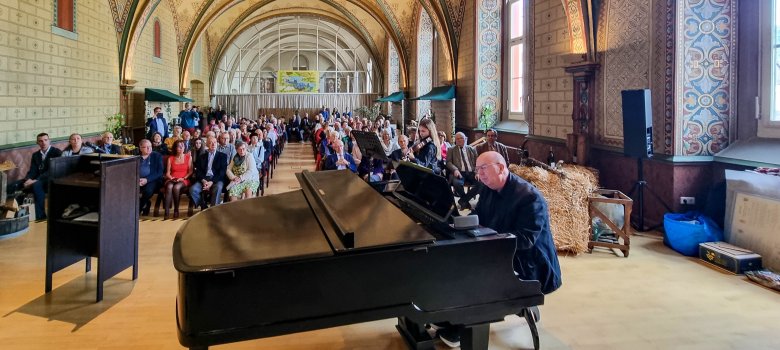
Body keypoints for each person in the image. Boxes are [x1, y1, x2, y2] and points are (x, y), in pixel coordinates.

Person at [436, 151, 562, 348]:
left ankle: (463, 327)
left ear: (501, 167)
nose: (479, 174)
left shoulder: (529, 197)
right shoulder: (489, 188)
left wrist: (488, 243)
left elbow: (526, 240)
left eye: (483, 169)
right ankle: (451, 315)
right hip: (500, 250)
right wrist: (456, 225)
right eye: (477, 170)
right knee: (456, 260)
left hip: (529, 263)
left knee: (474, 273)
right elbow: (479, 216)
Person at [6, 133, 62, 221]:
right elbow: (32, 171)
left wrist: (35, 181)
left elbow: (51, 171)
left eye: (45, 140)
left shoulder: (57, 152)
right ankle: (11, 214)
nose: (43, 143)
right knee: (13, 185)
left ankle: (41, 216)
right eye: (40, 141)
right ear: (37, 143)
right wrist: (27, 179)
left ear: (49, 140)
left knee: (36, 185)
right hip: (36, 180)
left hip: (49, 180)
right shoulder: (35, 155)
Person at [190, 136, 228, 209]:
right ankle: (204, 207)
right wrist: (203, 180)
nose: (213, 144)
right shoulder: (202, 157)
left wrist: (212, 182)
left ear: (217, 144)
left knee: (218, 187)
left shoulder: (222, 156)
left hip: (216, 179)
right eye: (210, 143)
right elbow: (198, 171)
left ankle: (213, 210)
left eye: (214, 142)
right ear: (207, 145)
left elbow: (222, 172)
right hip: (204, 179)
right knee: (193, 189)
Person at [446, 132, 479, 211]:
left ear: (465, 139)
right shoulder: (451, 149)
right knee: (457, 183)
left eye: (461, 138)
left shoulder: (472, 149)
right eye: (457, 139)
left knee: (482, 184)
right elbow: (448, 162)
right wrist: (455, 170)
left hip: (472, 172)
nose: (459, 140)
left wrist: (477, 172)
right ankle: (466, 203)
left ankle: (463, 200)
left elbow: (478, 162)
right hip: (460, 172)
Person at [163, 140, 193, 219]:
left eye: (182, 146)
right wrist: (171, 178)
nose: (181, 148)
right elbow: (167, 173)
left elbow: (190, 172)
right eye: (178, 146)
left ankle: (176, 209)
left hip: (184, 179)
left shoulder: (188, 157)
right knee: (169, 187)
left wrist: (183, 178)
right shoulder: (171, 158)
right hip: (172, 178)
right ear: (175, 148)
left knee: (176, 188)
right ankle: (166, 212)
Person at [137, 139, 163, 215]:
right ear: (140, 148)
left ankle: (138, 209)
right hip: (138, 180)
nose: (149, 149)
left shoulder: (157, 156)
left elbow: (160, 172)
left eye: (150, 146)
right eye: (146, 147)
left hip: (153, 180)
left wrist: (147, 180)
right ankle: (146, 203)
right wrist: (137, 179)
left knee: (148, 191)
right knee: (128, 189)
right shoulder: (137, 157)